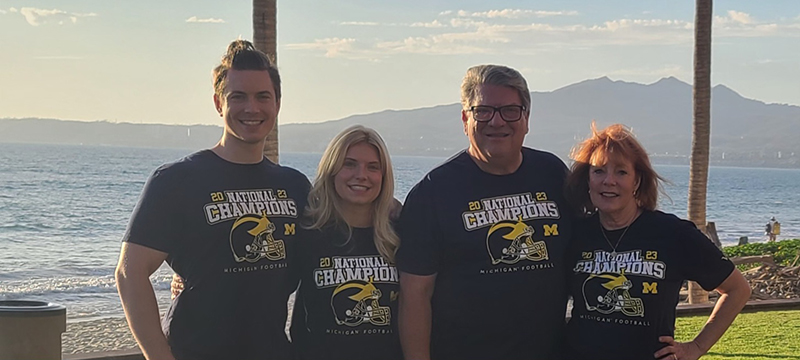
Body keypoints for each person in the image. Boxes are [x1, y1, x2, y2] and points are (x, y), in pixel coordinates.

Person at [115, 40, 310, 360]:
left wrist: (388, 209)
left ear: (277, 103)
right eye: (238, 97)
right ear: (219, 104)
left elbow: (330, 245)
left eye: (263, 96)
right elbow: (129, 273)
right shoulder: (177, 180)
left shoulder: (294, 186)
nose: (252, 108)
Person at [396, 64, 573, 360]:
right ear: (465, 119)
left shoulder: (553, 174)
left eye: (510, 111)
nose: (497, 121)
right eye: (484, 111)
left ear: (526, 119)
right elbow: (414, 298)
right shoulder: (433, 193)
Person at [563, 123, 751, 360]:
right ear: (587, 179)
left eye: (621, 172)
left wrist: (696, 347)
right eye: (599, 171)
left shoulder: (672, 233)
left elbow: (737, 289)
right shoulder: (574, 233)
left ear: (637, 181)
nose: (609, 181)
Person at [290, 125, 402, 360]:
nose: (361, 174)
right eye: (349, 164)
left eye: (373, 167)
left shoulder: (401, 234)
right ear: (332, 170)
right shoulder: (307, 231)